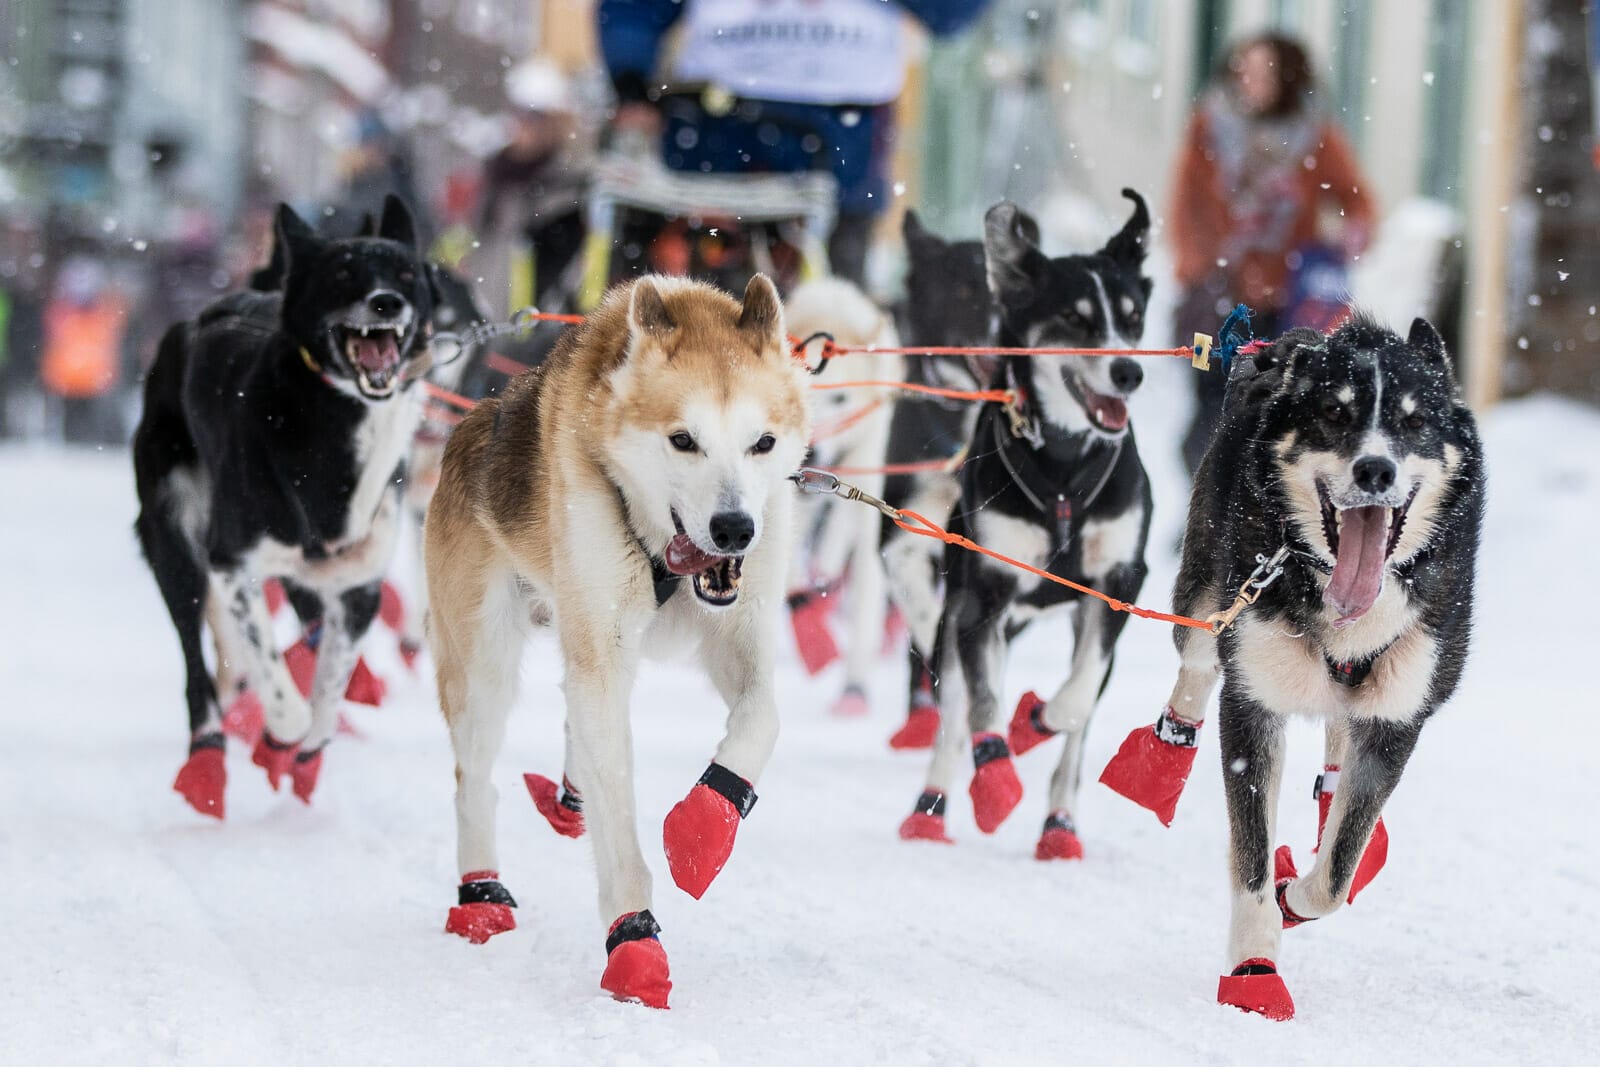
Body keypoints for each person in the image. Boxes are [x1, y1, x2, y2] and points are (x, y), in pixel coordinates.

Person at [597, 0, 990, 285]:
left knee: (829, 323)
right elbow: (632, 9)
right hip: (714, 145)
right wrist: (631, 82)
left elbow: (953, 14)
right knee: (690, 311)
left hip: (843, 149)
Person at [1169, 33, 1377, 473]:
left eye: (1264, 72)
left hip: (1285, 307)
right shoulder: (1209, 127)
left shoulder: (1315, 137)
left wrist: (1347, 236)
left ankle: (1251, 513)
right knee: (1209, 401)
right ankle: (1204, 501)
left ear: (1287, 78)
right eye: (1244, 69)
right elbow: (1185, 206)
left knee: (1268, 411)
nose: (1251, 81)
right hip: (1213, 303)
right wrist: (1205, 269)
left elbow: (1358, 202)